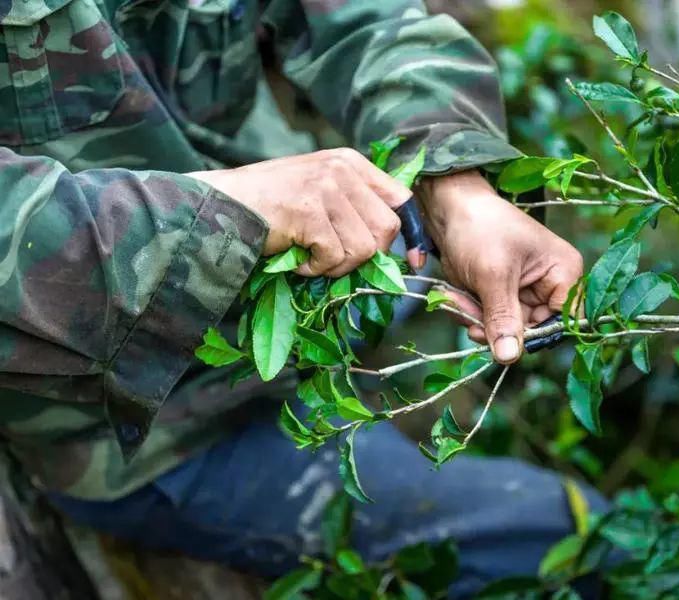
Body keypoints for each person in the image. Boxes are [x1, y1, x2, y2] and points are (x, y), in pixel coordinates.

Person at [0, 0, 601, 594]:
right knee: (579, 538)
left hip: (317, 277)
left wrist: (455, 182)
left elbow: (361, 16)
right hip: (150, 416)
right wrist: (230, 212)